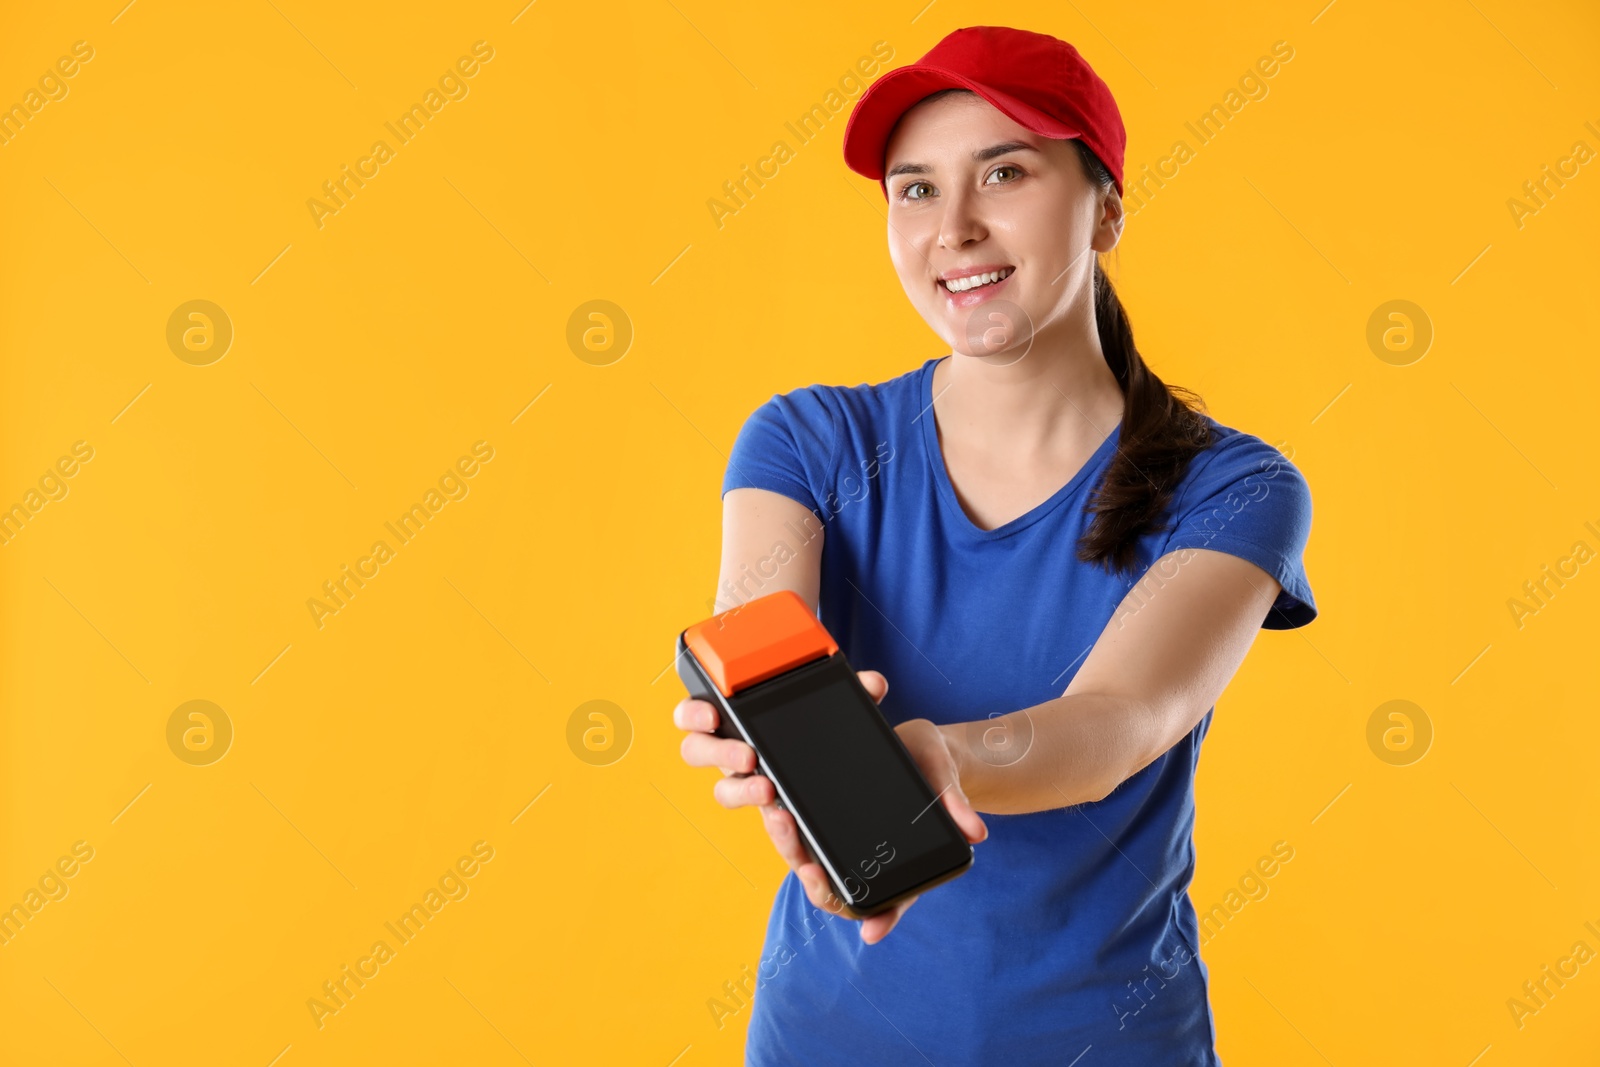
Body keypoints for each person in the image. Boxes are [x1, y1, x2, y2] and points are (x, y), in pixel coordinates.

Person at [673, 25, 1316, 1066]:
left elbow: (1121, 719)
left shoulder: (1233, 487)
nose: (953, 228)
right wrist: (762, 743)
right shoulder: (805, 441)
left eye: (1003, 173)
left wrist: (940, 759)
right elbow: (764, 646)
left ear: (1105, 208)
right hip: (828, 1039)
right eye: (914, 189)